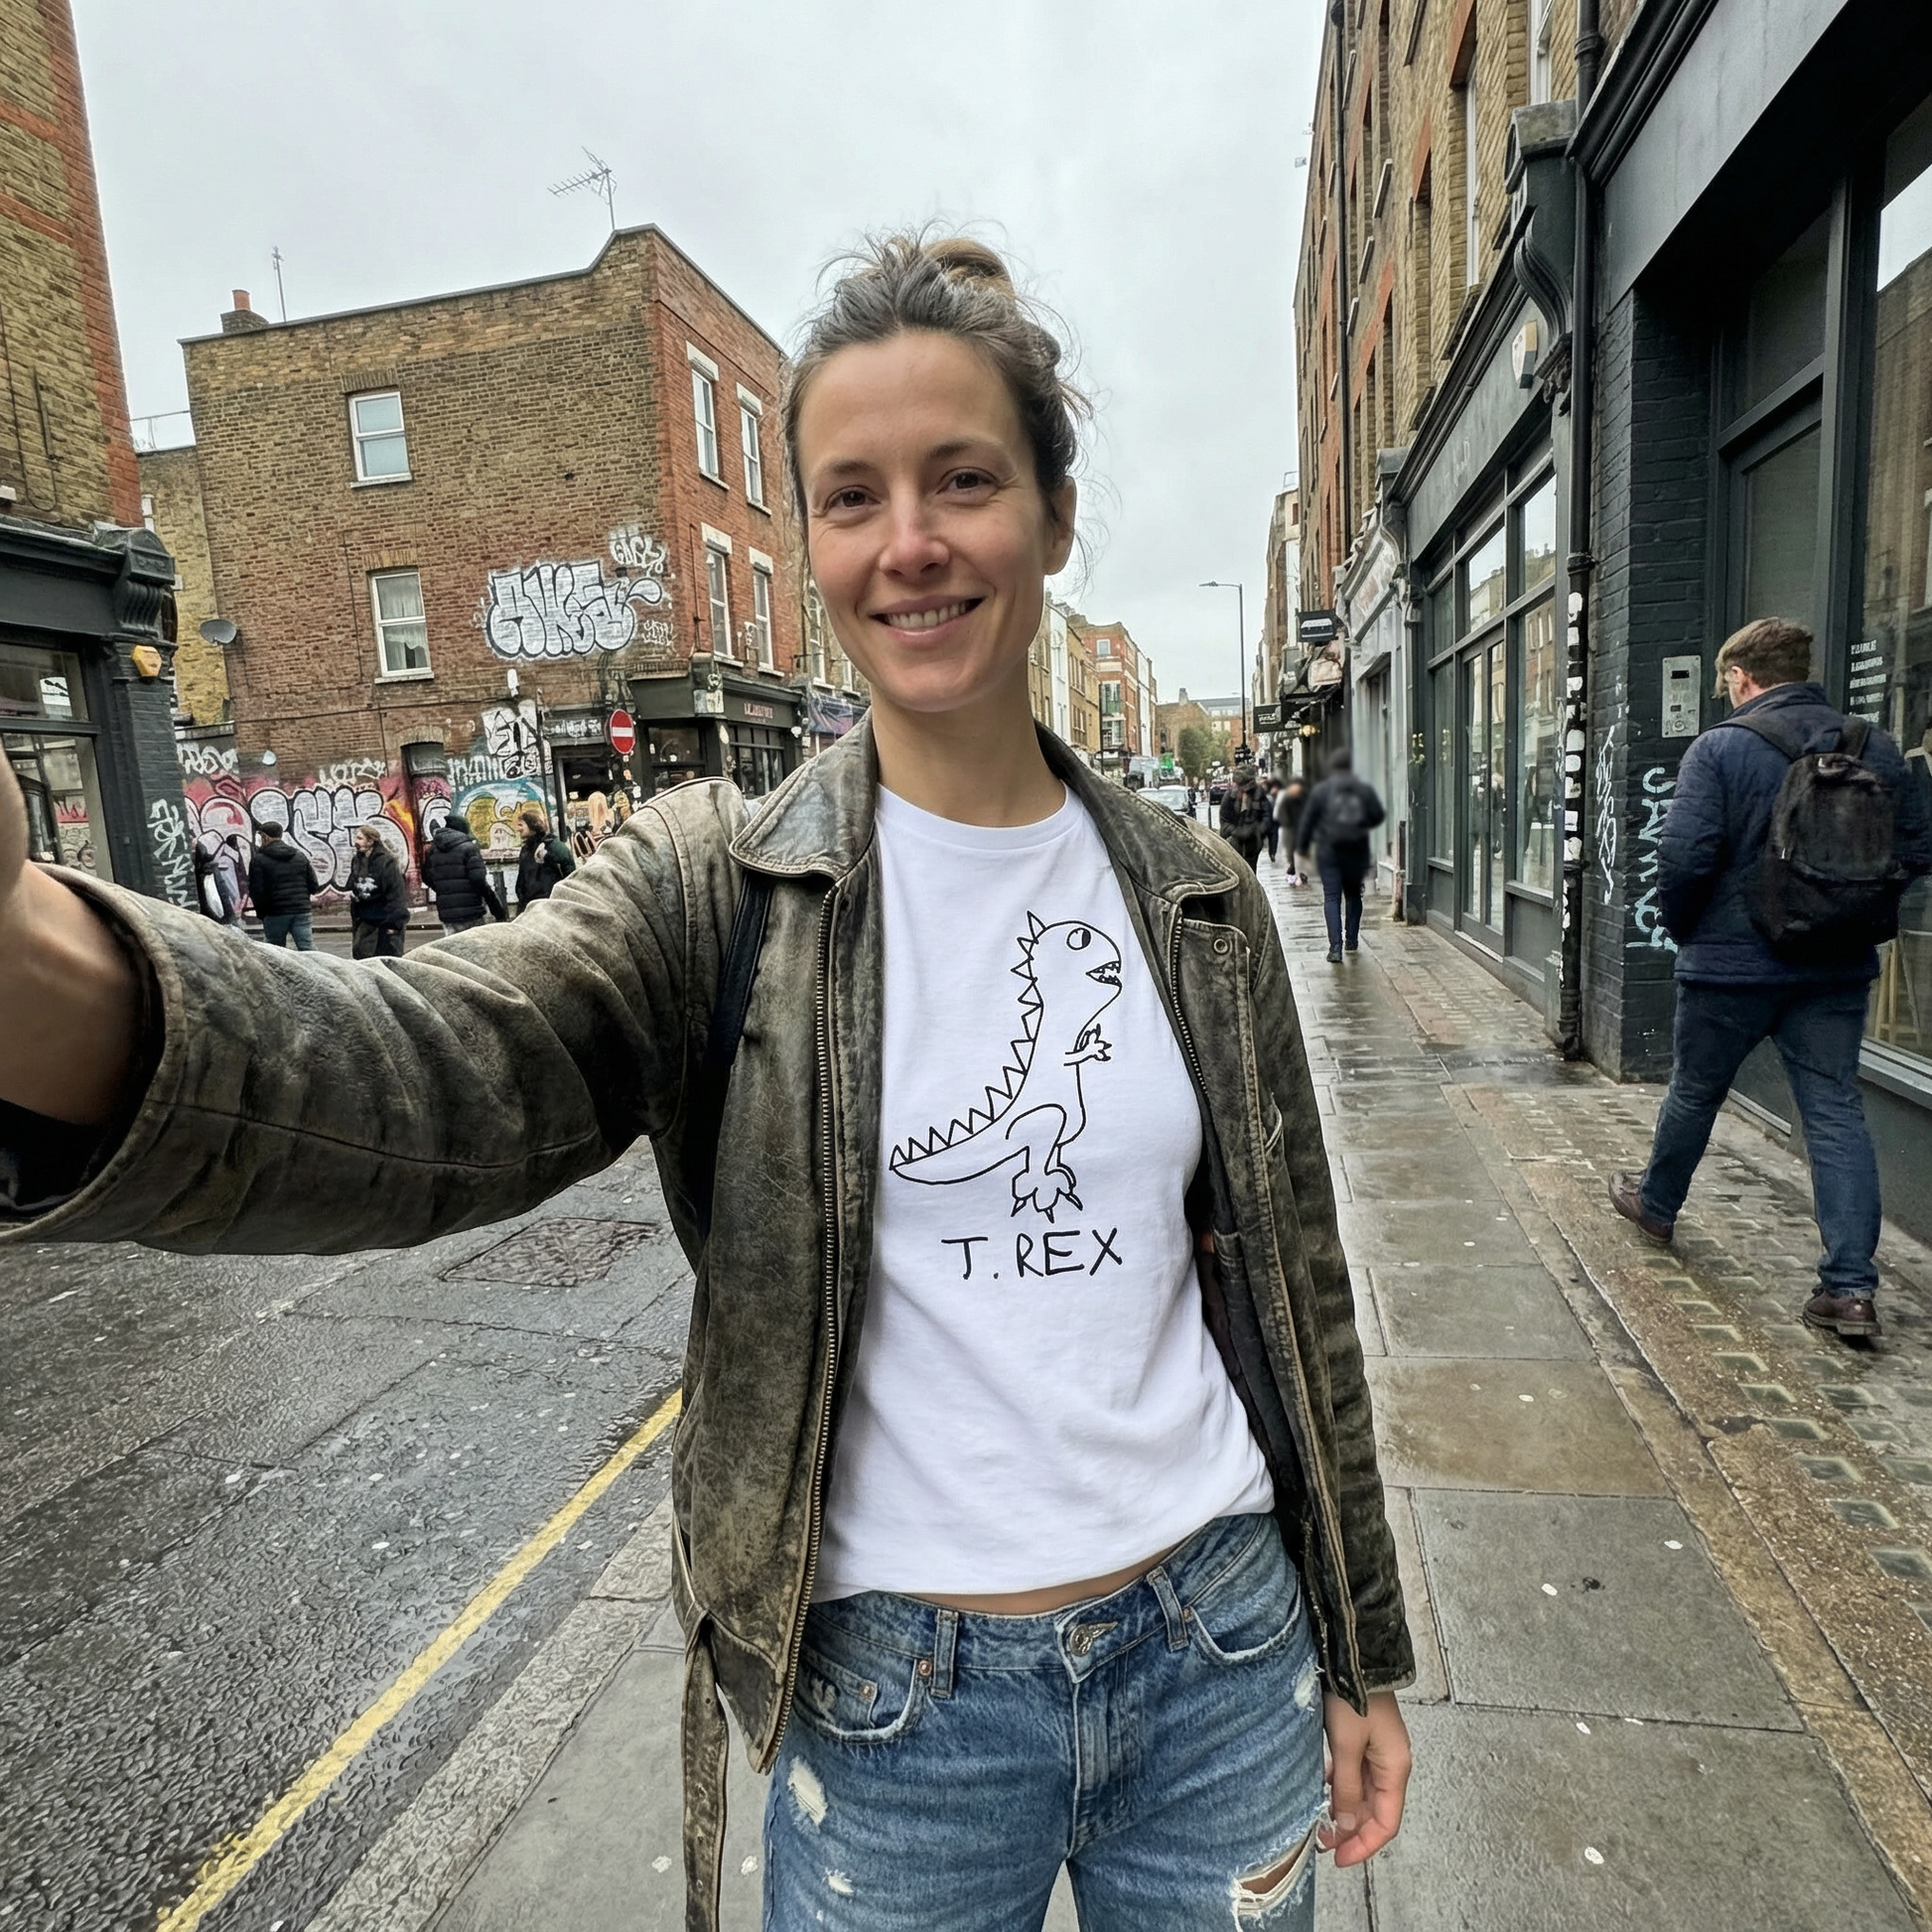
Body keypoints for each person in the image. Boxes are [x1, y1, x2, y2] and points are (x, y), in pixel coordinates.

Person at [0, 232, 1411, 1932]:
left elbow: (1299, 1290)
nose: (909, 542)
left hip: (1221, 1655)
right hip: (901, 1710)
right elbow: (427, 1076)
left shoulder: (1195, 896)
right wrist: (29, 963)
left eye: (963, 479)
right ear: (811, 543)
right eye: (851, 496)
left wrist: (1359, 1647)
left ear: (1051, 514)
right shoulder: (714, 882)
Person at [1609, 617, 1932, 1340]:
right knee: (1834, 1112)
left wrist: (1687, 931)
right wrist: (1849, 913)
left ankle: (1656, 1207)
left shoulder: (1720, 748)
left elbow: (1685, 857)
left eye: (1727, 680)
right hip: (1833, 968)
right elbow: (1916, 850)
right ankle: (1850, 1288)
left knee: (1696, 1091)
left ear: (1741, 677)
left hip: (1731, 966)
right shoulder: (1873, 747)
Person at [1297, 751, 1384, 963]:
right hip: (1355, 852)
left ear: (1333, 768)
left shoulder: (1321, 791)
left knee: (1332, 898)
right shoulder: (1363, 790)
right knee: (1354, 895)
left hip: (1329, 852)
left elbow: (1307, 822)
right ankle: (1351, 940)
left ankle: (1335, 948)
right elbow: (1377, 816)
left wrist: (1303, 847)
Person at [422, 817, 506, 936]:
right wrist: (497, 909)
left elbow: (426, 876)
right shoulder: (469, 848)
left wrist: (444, 889)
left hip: (447, 913)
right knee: (474, 944)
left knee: (453, 945)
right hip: (471, 910)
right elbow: (479, 880)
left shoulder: (433, 850)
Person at [246, 821, 320, 950]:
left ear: (265, 837)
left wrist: (262, 913)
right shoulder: (299, 855)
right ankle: (318, 964)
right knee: (307, 947)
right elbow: (313, 885)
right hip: (301, 910)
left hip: (274, 913)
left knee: (275, 950)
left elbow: (257, 890)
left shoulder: (259, 860)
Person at [346, 825, 410, 959]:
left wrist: (394, 924)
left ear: (370, 841)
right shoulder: (357, 860)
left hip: (382, 920)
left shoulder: (386, 862)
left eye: (360, 838)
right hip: (364, 919)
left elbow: (396, 894)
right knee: (362, 955)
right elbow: (353, 884)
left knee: (385, 958)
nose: (355, 842)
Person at [514, 806, 575, 908]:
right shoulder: (526, 849)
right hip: (531, 906)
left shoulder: (553, 847)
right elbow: (522, 879)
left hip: (551, 906)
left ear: (532, 824)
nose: (518, 829)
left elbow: (569, 875)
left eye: (521, 825)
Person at [1217, 759, 1270, 872]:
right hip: (1233, 844)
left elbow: (1267, 815)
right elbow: (1224, 824)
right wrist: (1239, 832)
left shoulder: (1258, 794)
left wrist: (1259, 830)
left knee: (1251, 870)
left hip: (1253, 843)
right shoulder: (1229, 798)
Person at [1278, 775, 1310, 888]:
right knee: (1291, 852)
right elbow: (1281, 814)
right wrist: (1287, 823)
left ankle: (1303, 873)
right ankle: (1293, 870)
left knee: (1304, 851)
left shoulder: (1305, 797)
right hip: (1290, 830)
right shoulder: (1287, 799)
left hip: (1303, 829)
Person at [1263, 777, 1284, 864]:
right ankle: (1272, 853)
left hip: (1273, 820)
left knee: (1274, 837)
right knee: (1273, 837)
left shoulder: (1277, 796)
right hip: (1269, 820)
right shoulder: (1268, 796)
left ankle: (1272, 853)